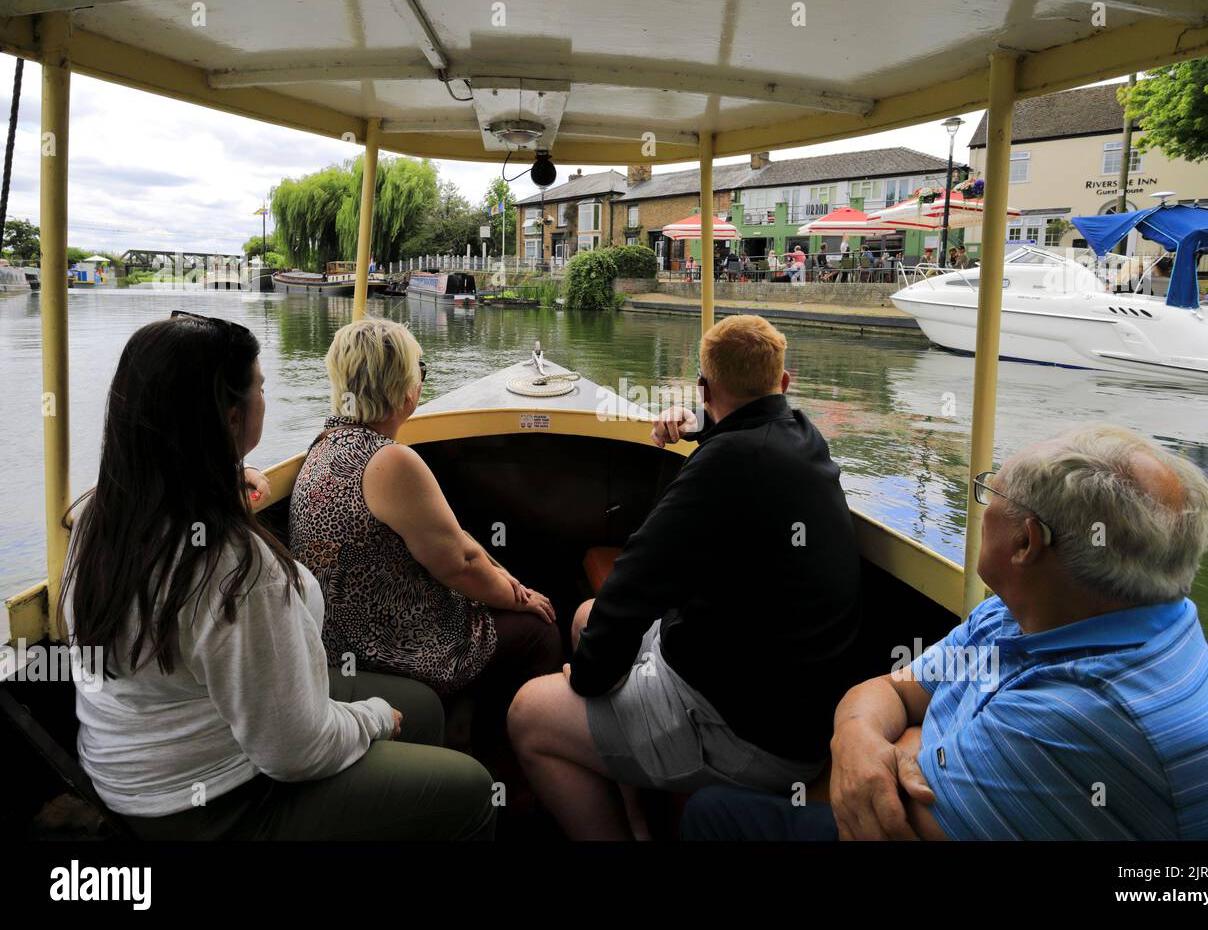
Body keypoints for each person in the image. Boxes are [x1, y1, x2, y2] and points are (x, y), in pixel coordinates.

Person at [681, 423, 1208, 841]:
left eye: (990, 492)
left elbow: (894, 826)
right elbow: (892, 692)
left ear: (1026, 542)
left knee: (710, 816)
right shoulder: (1034, 611)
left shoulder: (1091, 710)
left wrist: (898, 739)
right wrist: (861, 734)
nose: (982, 504)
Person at [62, 312, 495, 839]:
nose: (265, 398)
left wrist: (228, 477)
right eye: (260, 388)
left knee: (423, 707)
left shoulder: (99, 515)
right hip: (216, 802)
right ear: (228, 416)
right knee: (471, 789)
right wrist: (375, 717)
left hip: (126, 765)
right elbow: (297, 753)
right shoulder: (237, 571)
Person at [508, 315, 864, 840]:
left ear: (705, 384)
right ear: (784, 384)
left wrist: (583, 680)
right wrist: (699, 421)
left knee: (528, 714)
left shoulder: (725, 464)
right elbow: (749, 423)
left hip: (746, 733)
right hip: (790, 705)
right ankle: (636, 820)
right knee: (587, 618)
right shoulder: (802, 434)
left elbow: (635, 580)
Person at [290, 318, 562, 778]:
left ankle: (474, 734)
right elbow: (460, 566)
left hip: (345, 634)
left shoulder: (326, 445)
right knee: (540, 632)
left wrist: (502, 578)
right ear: (404, 388)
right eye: (421, 371)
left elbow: (458, 544)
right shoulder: (390, 460)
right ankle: (505, 770)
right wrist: (521, 596)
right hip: (389, 644)